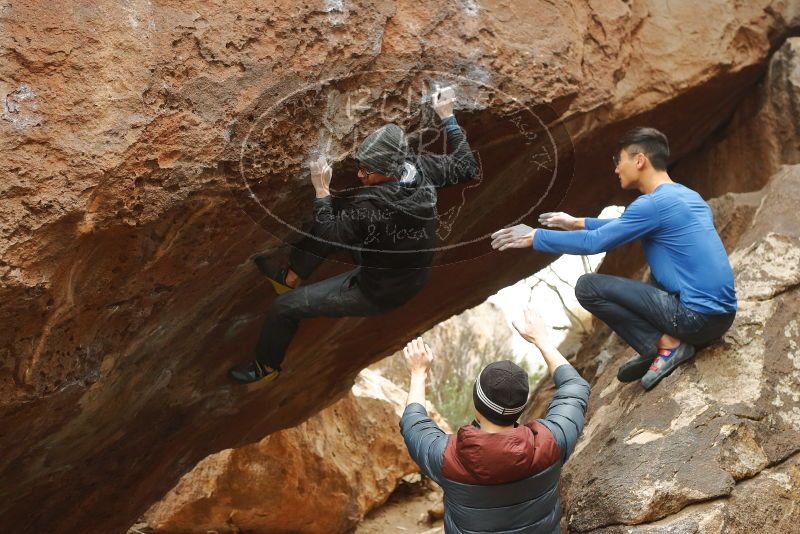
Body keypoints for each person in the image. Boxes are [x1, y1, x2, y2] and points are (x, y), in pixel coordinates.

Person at [228, 87, 479, 383]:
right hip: (403, 266)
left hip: (379, 290)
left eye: (367, 171)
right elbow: (466, 166)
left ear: (388, 172)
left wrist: (321, 190)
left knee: (285, 307)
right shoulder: (420, 170)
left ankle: (266, 367)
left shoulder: (373, 208)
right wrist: (447, 116)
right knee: (343, 214)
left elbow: (329, 235)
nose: (360, 175)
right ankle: (292, 275)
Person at [490, 127, 737, 390]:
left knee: (588, 287)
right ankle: (660, 345)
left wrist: (536, 237)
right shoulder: (687, 197)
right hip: (722, 318)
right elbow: (627, 224)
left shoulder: (652, 205)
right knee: (656, 267)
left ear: (639, 160)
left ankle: (667, 345)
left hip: (695, 320)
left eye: (619, 161)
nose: (617, 169)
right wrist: (577, 222)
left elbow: (596, 242)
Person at [399, 306, 590, 533]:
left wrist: (418, 372)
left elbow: (413, 422)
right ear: (520, 407)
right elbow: (575, 387)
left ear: (476, 403)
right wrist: (542, 340)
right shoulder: (552, 442)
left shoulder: (447, 457)